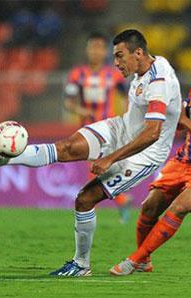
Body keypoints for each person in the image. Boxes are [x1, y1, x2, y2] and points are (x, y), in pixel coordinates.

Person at [0, 29, 182, 276]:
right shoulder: (146, 67)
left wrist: (110, 158)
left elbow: (152, 133)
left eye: (119, 56)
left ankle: (81, 264)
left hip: (145, 154)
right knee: (66, 147)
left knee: (84, 199)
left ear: (138, 52)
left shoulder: (159, 82)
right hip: (121, 129)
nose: (115, 63)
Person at [110, 35, 191, 276]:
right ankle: (144, 260)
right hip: (184, 160)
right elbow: (184, 121)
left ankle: (134, 261)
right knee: (149, 207)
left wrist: (182, 120)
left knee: (178, 207)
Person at [64, 31, 132, 224]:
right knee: (98, 168)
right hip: (86, 129)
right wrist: (80, 109)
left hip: (108, 129)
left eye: (99, 48)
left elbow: (128, 97)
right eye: (92, 47)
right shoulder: (78, 74)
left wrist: (127, 119)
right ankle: (121, 200)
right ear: (87, 50)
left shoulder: (114, 74)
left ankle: (91, 208)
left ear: (105, 51)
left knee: (95, 168)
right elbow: (68, 102)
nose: (95, 51)